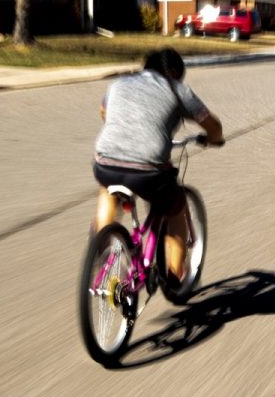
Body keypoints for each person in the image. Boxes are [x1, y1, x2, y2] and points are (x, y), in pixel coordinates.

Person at [92, 48, 224, 284]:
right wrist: (214, 139)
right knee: (175, 205)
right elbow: (212, 125)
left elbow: (104, 112)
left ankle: (103, 244)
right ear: (174, 71)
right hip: (148, 170)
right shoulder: (177, 89)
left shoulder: (119, 84)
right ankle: (176, 273)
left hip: (105, 161)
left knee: (108, 189)